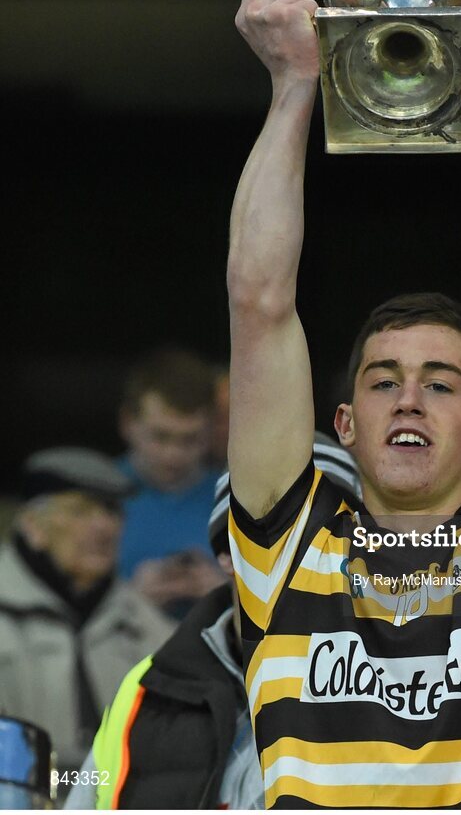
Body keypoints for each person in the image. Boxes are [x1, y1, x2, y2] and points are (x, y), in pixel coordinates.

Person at [226, 0, 461, 808]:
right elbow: (258, 304)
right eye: (384, 381)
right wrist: (291, 87)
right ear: (344, 423)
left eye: (441, 384)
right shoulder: (288, 551)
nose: (408, 401)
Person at [64, 434, 361, 810]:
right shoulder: (147, 691)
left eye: (327, 530)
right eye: (275, 525)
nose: (303, 549)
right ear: (226, 551)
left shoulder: (407, 694)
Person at [0, 448, 174, 783]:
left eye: (111, 511)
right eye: (79, 510)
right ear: (33, 526)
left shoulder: (143, 622)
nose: (103, 526)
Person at [116, 345, 226, 616]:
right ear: (128, 423)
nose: (173, 455)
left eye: (190, 439)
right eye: (160, 436)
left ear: (211, 430)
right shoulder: (94, 496)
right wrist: (126, 598)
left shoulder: (237, 501)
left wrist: (228, 596)